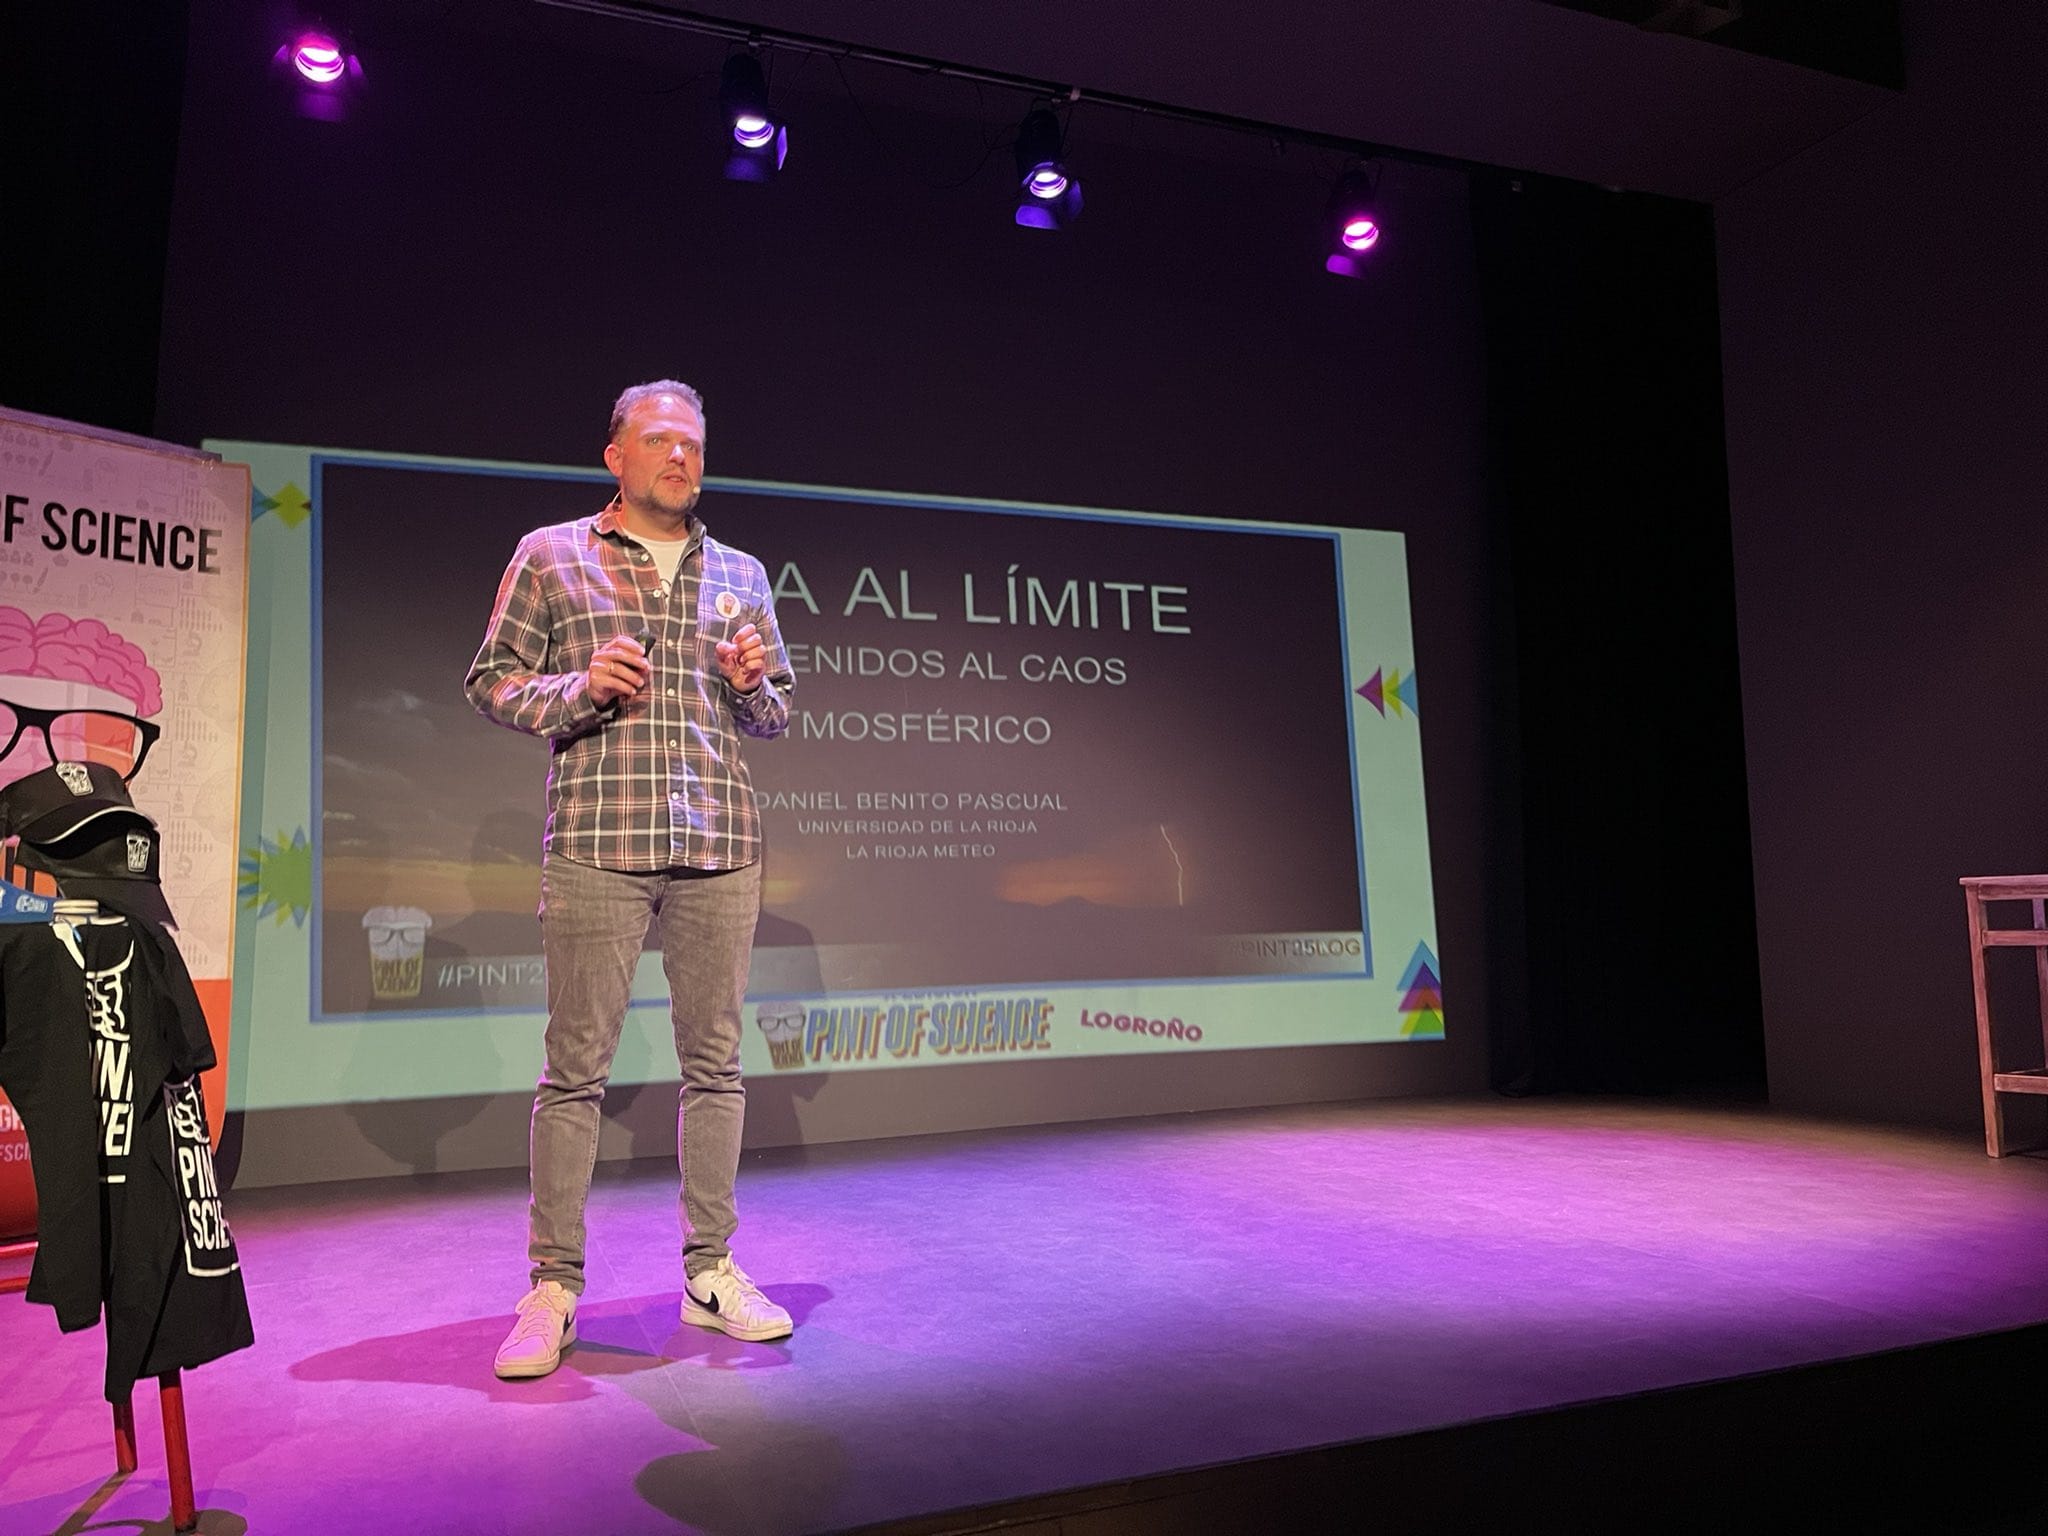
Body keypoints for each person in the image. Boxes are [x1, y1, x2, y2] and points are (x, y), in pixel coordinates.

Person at [466, 379, 795, 1380]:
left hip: (719, 845)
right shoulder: (551, 553)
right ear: (614, 455)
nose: (680, 459)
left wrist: (750, 686)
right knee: (575, 1073)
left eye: (693, 444)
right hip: (599, 842)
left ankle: (710, 1272)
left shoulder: (738, 570)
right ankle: (552, 1288)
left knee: (716, 1069)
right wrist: (576, 687)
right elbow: (491, 680)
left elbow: (776, 711)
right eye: (659, 442)